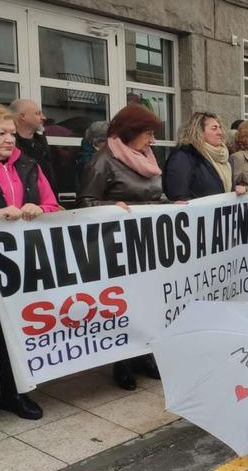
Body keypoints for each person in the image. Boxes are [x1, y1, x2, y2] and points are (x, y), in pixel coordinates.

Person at [0, 104, 60, 442]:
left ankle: (14, 395)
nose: (10, 140)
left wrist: (40, 208)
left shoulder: (27, 165)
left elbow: (53, 205)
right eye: (1, 134)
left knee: (14, 339)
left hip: (17, 273)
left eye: (11, 133)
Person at [78, 104, 164, 390]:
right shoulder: (103, 161)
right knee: (127, 305)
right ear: (131, 132)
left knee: (150, 303)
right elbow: (85, 202)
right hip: (118, 246)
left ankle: (144, 355)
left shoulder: (147, 158)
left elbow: (153, 195)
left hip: (148, 244)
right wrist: (112, 207)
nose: (152, 140)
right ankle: (123, 362)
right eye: (148, 133)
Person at [164, 112, 246, 200]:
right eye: (214, 128)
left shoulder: (225, 157)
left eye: (220, 128)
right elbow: (178, 194)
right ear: (199, 131)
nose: (220, 132)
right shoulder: (184, 156)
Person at [9, 99, 55, 187]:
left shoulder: (41, 143)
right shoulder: (9, 146)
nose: (44, 117)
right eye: (38, 113)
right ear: (22, 116)